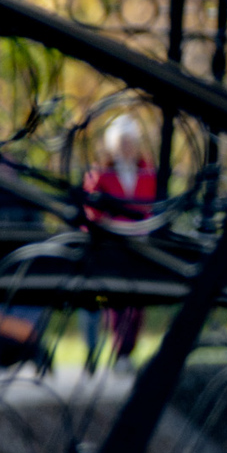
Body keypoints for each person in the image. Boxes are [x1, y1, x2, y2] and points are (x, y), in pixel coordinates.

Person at [80, 115, 158, 368]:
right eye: (123, 142)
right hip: (111, 244)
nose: (127, 147)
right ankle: (118, 351)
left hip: (139, 244)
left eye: (130, 142)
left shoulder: (147, 171)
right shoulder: (101, 173)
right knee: (116, 300)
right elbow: (91, 209)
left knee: (137, 301)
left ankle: (127, 351)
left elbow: (153, 206)